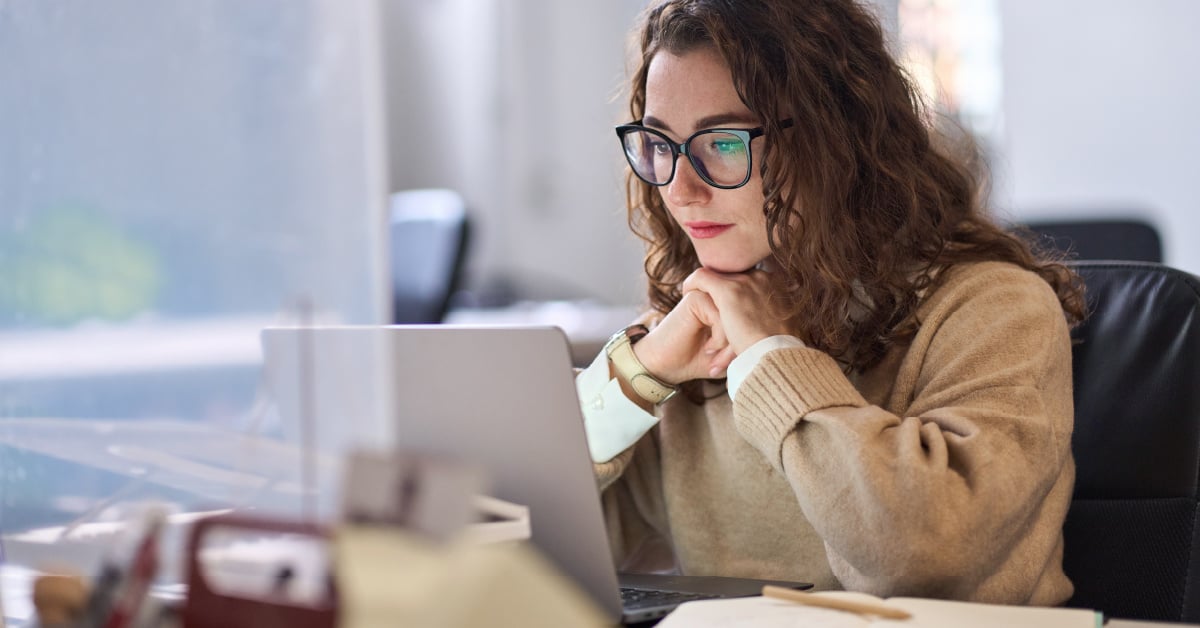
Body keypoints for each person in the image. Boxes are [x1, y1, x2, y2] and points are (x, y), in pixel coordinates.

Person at [574, 0, 1087, 606]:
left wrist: (772, 355)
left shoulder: (995, 311)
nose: (680, 189)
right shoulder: (691, 331)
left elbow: (919, 561)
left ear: (835, 139)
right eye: (659, 143)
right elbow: (522, 540)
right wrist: (639, 375)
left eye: (725, 143)